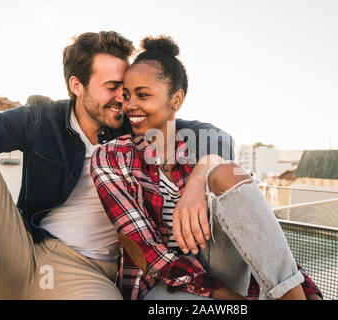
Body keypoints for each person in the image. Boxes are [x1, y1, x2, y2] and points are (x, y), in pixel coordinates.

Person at [0, 31, 235, 299]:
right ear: (77, 86)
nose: (123, 98)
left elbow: (218, 137)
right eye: (112, 87)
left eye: (126, 88)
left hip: (91, 274)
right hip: (26, 252)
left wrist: (198, 182)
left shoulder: (138, 124)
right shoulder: (41, 118)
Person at [91, 36, 323, 300]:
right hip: (165, 285)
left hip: (226, 270)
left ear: (176, 99)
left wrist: (306, 289)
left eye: (143, 95)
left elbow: (256, 233)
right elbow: (147, 253)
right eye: (127, 95)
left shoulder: (202, 151)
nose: (131, 105)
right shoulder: (110, 157)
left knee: (229, 172)